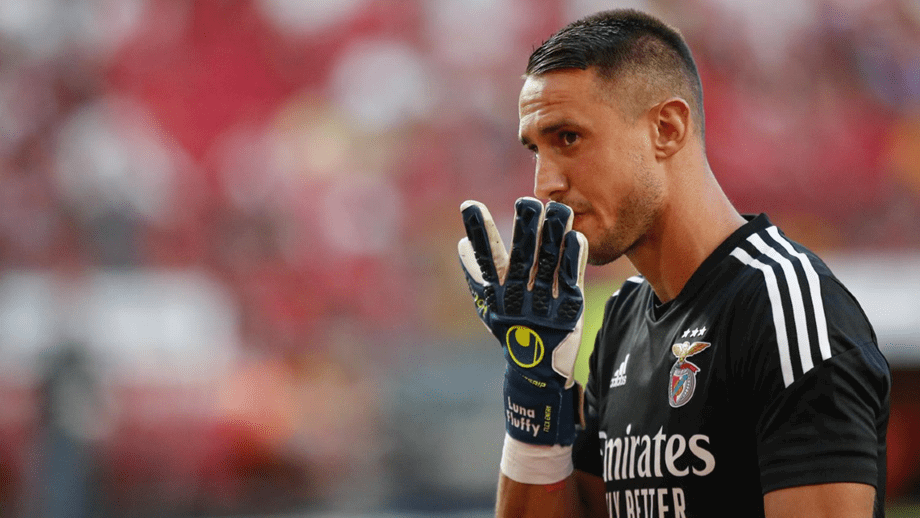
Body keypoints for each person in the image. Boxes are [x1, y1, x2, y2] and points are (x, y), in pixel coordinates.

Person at [457, 8, 890, 518]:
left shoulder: (784, 308)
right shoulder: (621, 321)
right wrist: (534, 393)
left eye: (568, 138)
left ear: (667, 128)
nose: (544, 184)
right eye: (535, 149)